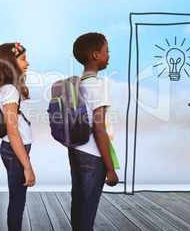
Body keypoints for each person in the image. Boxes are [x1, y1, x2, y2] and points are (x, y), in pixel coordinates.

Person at [69, 32, 119, 230]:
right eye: (107, 51)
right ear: (96, 55)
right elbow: (99, 128)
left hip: (75, 150)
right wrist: (110, 169)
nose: (109, 55)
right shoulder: (99, 84)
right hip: (93, 155)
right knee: (88, 208)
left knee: (78, 202)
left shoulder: (75, 83)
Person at [0, 42, 36, 231]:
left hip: (14, 149)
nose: (28, 63)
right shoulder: (9, 90)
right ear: (10, 62)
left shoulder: (7, 88)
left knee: (17, 199)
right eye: (23, 58)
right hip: (16, 150)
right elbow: (13, 131)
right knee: (18, 202)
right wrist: (28, 167)